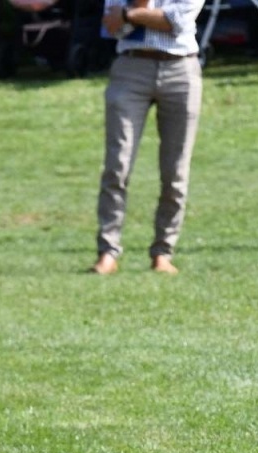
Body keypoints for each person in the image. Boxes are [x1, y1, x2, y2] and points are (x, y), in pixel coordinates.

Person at [88, 0, 205, 276]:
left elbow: (178, 20)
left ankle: (163, 252)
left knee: (175, 172)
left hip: (181, 70)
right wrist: (138, 16)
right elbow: (113, 26)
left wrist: (132, 13)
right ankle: (108, 252)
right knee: (117, 165)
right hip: (131, 68)